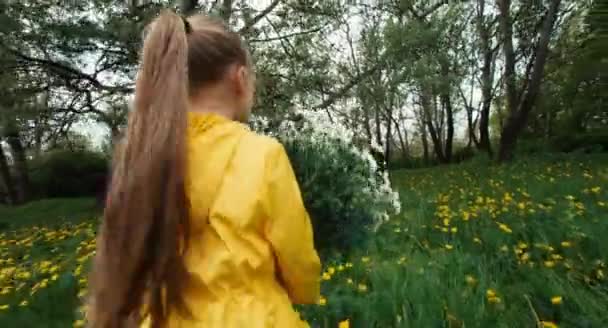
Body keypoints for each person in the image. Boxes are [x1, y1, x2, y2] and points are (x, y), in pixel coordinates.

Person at [87, 10, 321, 328]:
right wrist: (304, 291)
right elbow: (297, 257)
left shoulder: (141, 159)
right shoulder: (263, 155)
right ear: (240, 79)